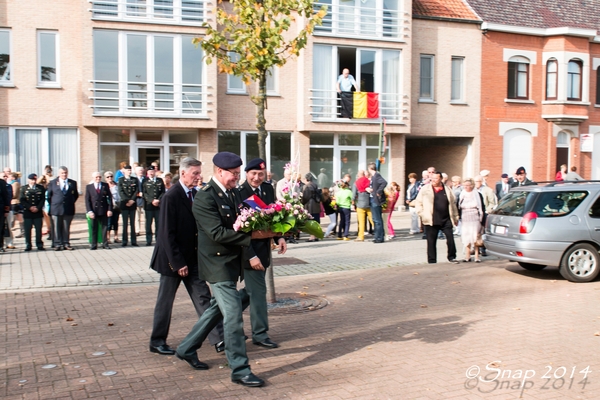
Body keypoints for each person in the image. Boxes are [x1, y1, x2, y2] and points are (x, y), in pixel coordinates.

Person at [176, 152, 270, 388]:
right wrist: (251, 238)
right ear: (219, 172)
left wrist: (274, 225)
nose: (237, 179)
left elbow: (248, 215)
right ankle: (239, 368)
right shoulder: (205, 197)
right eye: (234, 175)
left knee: (214, 311)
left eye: (239, 174)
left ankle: (186, 348)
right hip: (216, 265)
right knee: (233, 315)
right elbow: (217, 233)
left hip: (231, 263)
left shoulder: (233, 192)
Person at [149, 157, 224, 357]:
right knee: (165, 302)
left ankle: (219, 339)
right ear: (183, 174)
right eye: (195, 173)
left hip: (192, 258)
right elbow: (165, 233)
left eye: (200, 173)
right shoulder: (171, 197)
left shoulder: (196, 194)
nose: (199, 177)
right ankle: (157, 341)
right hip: (171, 260)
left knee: (203, 298)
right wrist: (177, 262)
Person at [237, 158, 287, 348]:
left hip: (264, 251)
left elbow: (272, 218)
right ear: (246, 174)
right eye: (253, 174)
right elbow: (239, 230)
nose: (257, 178)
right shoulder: (239, 193)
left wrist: (279, 237)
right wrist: (251, 255)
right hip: (248, 253)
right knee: (258, 292)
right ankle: (260, 334)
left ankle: (223, 316)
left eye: (260, 174)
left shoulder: (267, 189)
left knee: (250, 293)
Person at [414, 171, 460, 264]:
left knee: (450, 238)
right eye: (432, 178)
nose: (433, 180)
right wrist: (422, 214)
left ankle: (452, 256)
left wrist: (455, 217)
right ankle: (432, 260)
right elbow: (418, 203)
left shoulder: (447, 189)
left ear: (441, 179)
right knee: (431, 241)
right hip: (431, 219)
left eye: (436, 178)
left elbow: (453, 204)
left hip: (446, 219)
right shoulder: (425, 189)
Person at [47, 166, 79, 251]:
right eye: (62, 173)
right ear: (59, 173)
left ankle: (66, 243)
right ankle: (57, 244)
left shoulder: (72, 183)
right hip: (56, 208)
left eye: (65, 173)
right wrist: (55, 203)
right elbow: (49, 196)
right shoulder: (53, 183)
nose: (64, 174)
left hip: (68, 209)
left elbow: (75, 195)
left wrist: (70, 202)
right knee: (56, 227)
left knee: (66, 227)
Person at [457, 178, 484, 263]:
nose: (466, 187)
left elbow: (481, 207)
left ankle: (476, 256)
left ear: (472, 185)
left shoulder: (477, 194)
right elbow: (458, 206)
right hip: (465, 218)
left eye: (468, 185)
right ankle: (467, 256)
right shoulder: (462, 194)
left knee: (475, 236)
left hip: (475, 217)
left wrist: (482, 219)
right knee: (466, 236)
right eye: (464, 185)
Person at [85, 172, 113, 250]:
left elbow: (109, 198)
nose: (98, 179)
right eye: (96, 177)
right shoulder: (89, 187)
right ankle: (94, 244)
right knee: (94, 228)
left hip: (103, 210)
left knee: (104, 227)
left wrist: (110, 209)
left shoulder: (105, 185)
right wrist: (89, 211)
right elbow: (87, 200)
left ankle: (105, 244)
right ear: (93, 178)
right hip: (94, 211)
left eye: (99, 177)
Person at [143, 166, 165, 246]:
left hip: (158, 206)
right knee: (148, 224)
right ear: (147, 173)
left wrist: (158, 200)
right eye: (149, 172)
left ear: (154, 172)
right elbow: (144, 193)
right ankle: (148, 240)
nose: (151, 173)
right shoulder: (144, 181)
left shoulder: (160, 180)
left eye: (152, 171)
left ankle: (158, 240)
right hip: (149, 206)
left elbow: (163, 192)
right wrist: (152, 200)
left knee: (158, 223)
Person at [117, 165, 139, 246]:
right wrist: (127, 200)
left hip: (132, 204)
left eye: (130, 170)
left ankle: (133, 241)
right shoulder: (121, 180)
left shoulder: (135, 179)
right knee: (125, 224)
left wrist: (132, 200)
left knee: (133, 223)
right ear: (124, 171)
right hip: (124, 204)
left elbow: (136, 190)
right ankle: (124, 241)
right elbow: (121, 191)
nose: (129, 171)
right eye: (128, 170)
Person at [365, 162, 387, 244]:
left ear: (370, 169)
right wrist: (370, 189)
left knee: (377, 220)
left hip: (375, 200)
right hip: (372, 199)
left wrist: (378, 191)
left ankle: (380, 237)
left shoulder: (377, 175)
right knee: (375, 219)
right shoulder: (374, 177)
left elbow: (384, 182)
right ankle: (377, 236)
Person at [352, 170, 373, 242]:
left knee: (361, 222)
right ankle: (379, 233)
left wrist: (353, 203)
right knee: (373, 220)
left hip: (360, 205)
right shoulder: (369, 181)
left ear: (358, 175)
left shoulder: (356, 183)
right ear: (364, 174)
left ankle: (361, 237)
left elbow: (354, 195)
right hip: (369, 204)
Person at [301, 173, 321, 242]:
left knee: (310, 221)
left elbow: (305, 197)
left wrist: (301, 203)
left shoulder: (307, 186)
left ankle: (312, 237)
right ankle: (316, 236)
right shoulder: (315, 185)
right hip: (316, 205)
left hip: (310, 206)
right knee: (316, 221)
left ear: (306, 179)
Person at [104, 171, 121, 244]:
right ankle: (107, 238)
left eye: (111, 176)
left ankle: (116, 237)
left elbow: (119, 195)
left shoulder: (116, 185)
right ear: (105, 178)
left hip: (116, 206)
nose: (110, 178)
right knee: (109, 223)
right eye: (108, 177)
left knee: (116, 222)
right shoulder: (104, 186)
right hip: (108, 206)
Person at [37, 165, 53, 238]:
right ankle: (48, 229)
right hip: (43, 198)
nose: (48, 172)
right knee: (45, 215)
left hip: (49, 199)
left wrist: (48, 177)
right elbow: (37, 183)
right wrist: (42, 176)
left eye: (49, 171)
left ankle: (51, 231)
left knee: (49, 215)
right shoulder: (42, 178)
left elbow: (50, 185)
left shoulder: (52, 178)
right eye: (47, 170)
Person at [8, 172, 23, 239]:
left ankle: (22, 231)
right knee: (16, 218)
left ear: (13, 177)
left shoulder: (15, 184)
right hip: (12, 202)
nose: (9, 178)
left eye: (10, 176)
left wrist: (7, 196)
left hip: (15, 202)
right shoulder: (11, 184)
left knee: (15, 218)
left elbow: (14, 194)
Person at [134, 166, 146, 237]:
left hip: (145, 200)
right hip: (137, 200)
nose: (140, 172)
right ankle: (137, 230)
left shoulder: (146, 179)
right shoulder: (134, 180)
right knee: (137, 217)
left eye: (141, 170)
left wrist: (143, 194)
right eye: (139, 170)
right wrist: (138, 194)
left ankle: (146, 230)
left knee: (145, 217)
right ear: (136, 172)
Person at [0, 175, 10, 253]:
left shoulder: (2, 183)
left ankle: (0, 246)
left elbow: (6, 197)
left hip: (0, 209)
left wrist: (6, 210)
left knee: (0, 228)